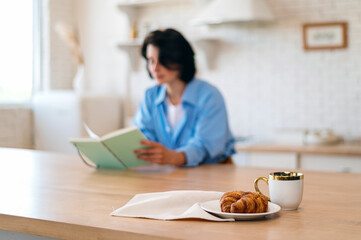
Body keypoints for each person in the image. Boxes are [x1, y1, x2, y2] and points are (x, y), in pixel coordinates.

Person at [133, 28, 235, 167]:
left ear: (180, 60)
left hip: (210, 172)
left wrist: (174, 157)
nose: (155, 68)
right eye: (151, 61)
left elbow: (205, 145)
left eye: (162, 61)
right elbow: (143, 136)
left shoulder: (209, 95)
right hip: (169, 174)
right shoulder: (150, 96)